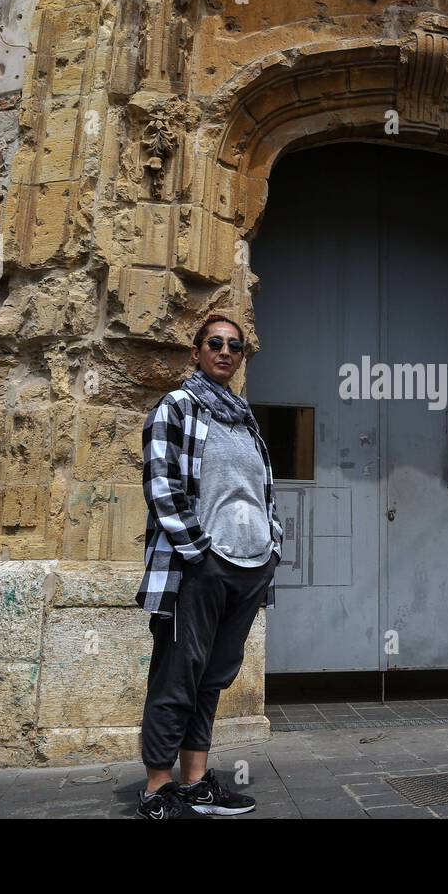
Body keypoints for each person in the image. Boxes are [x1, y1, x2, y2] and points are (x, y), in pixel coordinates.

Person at [134, 313, 282, 819]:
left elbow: (264, 493)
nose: (225, 351)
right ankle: (157, 790)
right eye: (214, 343)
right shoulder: (177, 406)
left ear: (242, 357)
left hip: (250, 566)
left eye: (234, 346)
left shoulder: (243, 418)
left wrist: (272, 547)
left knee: (212, 678)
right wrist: (198, 553)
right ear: (195, 352)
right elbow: (161, 485)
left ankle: (195, 782)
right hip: (198, 567)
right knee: (177, 675)